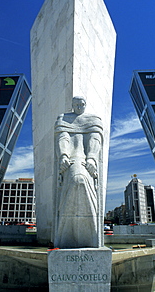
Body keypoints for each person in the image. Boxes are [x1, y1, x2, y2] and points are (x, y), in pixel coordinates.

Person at [54, 97, 103, 248]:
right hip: (72, 159)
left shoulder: (92, 119)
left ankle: (91, 235)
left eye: (82, 104)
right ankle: (65, 234)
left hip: (87, 160)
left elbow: (95, 139)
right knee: (77, 180)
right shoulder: (64, 119)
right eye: (76, 105)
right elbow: (63, 138)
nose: (80, 107)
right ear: (72, 105)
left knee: (82, 181)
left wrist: (93, 159)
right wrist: (63, 156)